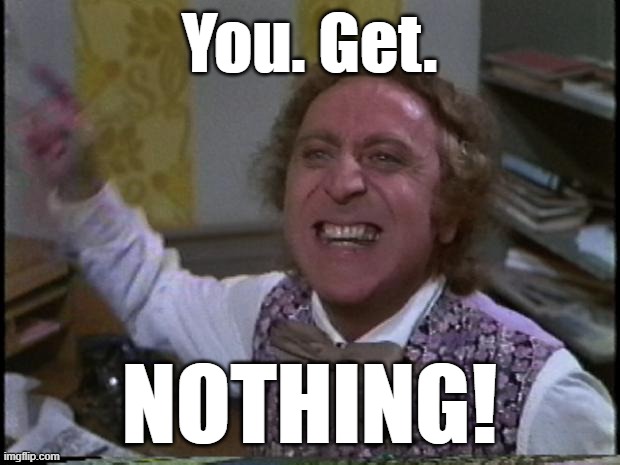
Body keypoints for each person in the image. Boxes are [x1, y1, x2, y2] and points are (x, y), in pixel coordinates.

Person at [22, 65, 615, 458]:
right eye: (317, 154)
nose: (342, 181)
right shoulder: (267, 310)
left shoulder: (544, 396)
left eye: (385, 157)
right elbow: (154, 295)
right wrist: (79, 183)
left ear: (449, 212)